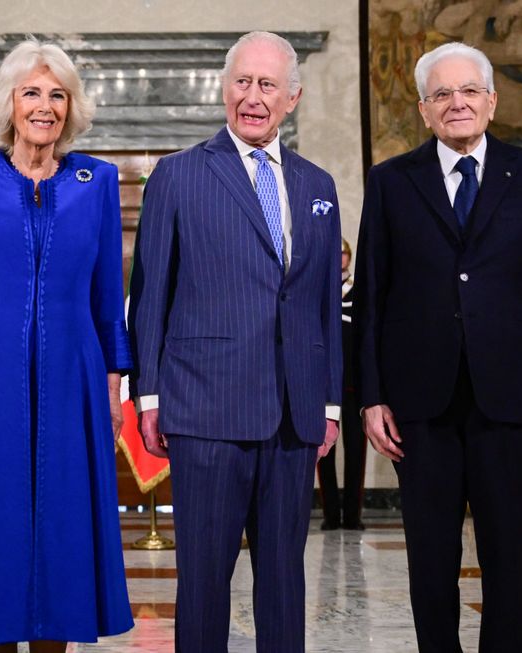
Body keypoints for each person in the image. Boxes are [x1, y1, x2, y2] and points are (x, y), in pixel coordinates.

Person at [355, 41, 522, 652]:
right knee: (430, 557)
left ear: (492, 102)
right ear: (424, 110)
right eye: (442, 94)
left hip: (509, 395)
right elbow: (372, 295)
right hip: (419, 401)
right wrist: (371, 396)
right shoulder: (391, 181)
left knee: (508, 553)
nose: (458, 103)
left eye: (470, 91)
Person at [0, 41, 133, 652]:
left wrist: (113, 386)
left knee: (64, 524)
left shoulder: (96, 181)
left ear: (71, 107)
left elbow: (108, 296)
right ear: (10, 104)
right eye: (31, 92)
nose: (45, 106)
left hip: (73, 381)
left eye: (57, 95)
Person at [127, 31, 342, 653]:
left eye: (267, 85)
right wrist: (148, 397)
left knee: (284, 581)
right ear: (224, 89)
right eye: (242, 82)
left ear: (292, 98)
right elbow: (151, 294)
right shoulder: (177, 176)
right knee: (202, 582)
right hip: (204, 409)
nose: (253, 97)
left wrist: (329, 404)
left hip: (294, 415)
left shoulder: (319, 185)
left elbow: (324, 304)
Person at [317, 238, 367, 531]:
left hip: (353, 385)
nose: (340, 259)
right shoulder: (322, 288)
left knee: (356, 451)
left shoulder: (358, 290)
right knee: (324, 451)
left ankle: (352, 515)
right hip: (325, 384)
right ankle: (330, 514)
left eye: (344, 254)